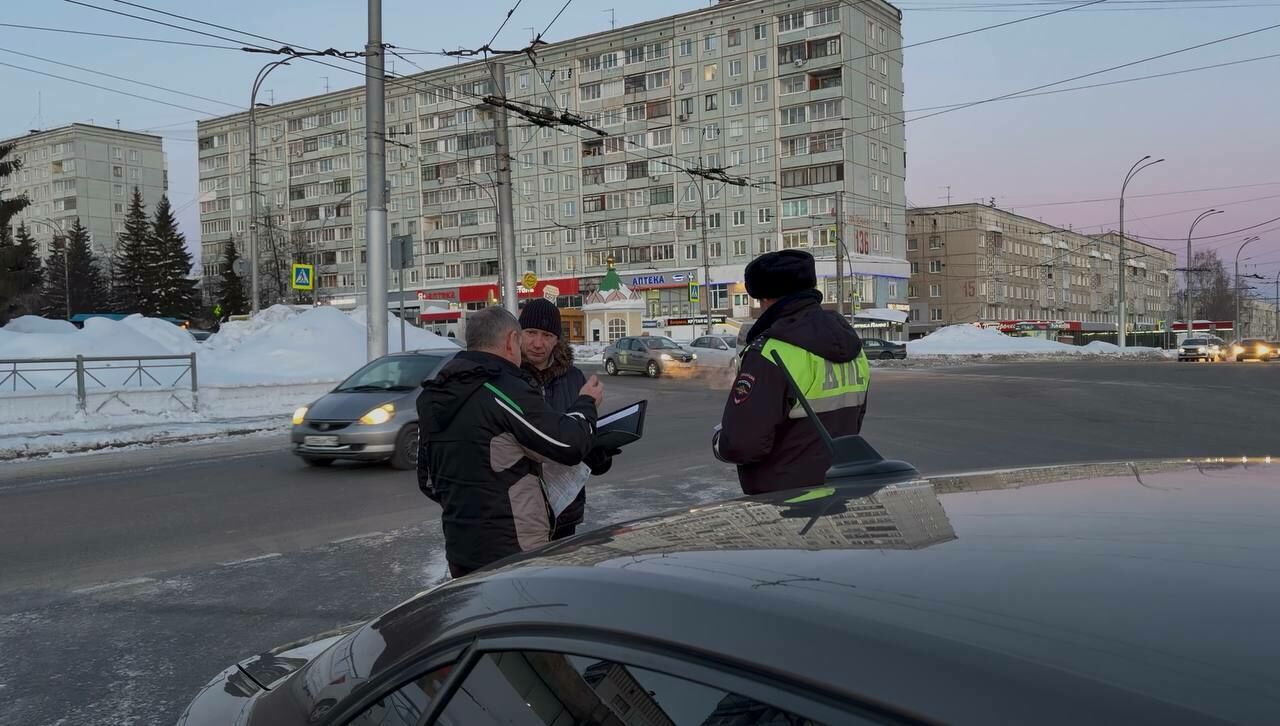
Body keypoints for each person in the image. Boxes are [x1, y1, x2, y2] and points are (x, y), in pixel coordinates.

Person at [417, 306, 605, 578]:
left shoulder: (433, 393)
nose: (536, 344)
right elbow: (568, 445)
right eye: (526, 336)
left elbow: (428, 480)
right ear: (511, 340)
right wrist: (586, 403)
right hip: (512, 548)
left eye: (547, 336)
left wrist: (470, 504)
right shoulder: (503, 388)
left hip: (460, 545)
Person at [713, 249, 870, 495]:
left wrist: (720, 443)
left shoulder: (771, 352)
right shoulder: (854, 348)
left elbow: (743, 444)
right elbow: (854, 421)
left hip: (785, 501)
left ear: (766, 298)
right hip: (838, 491)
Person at [518, 299, 618, 540]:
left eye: (547, 335)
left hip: (566, 509)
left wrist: (596, 453)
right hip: (520, 512)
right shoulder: (508, 376)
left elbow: (583, 430)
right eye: (531, 333)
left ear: (557, 340)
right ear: (518, 334)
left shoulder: (573, 378)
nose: (538, 343)